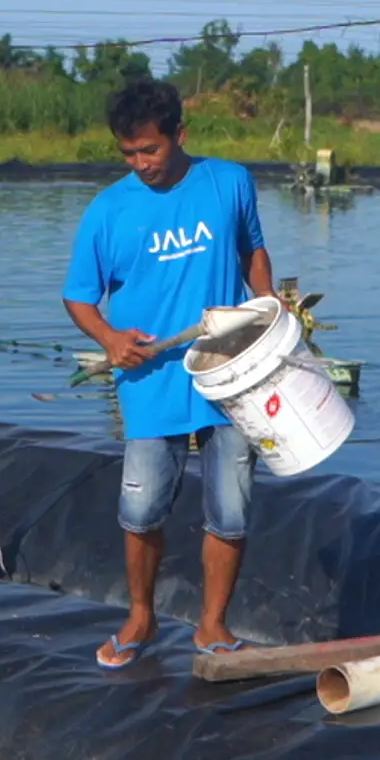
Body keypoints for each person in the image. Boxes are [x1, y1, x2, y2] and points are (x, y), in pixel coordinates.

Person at [61, 77, 274, 668]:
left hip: (230, 374)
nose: (141, 164)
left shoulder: (228, 181)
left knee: (230, 510)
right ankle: (141, 618)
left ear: (180, 135)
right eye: (128, 153)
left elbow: (252, 248)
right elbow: (79, 297)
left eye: (150, 150)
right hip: (151, 381)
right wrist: (108, 337)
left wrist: (271, 308)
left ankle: (212, 627)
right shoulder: (108, 210)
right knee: (140, 510)